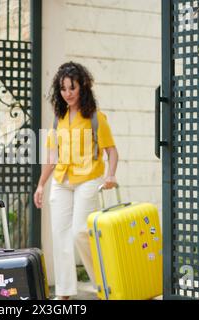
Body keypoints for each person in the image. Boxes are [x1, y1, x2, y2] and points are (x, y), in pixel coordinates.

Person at [33, 62, 119, 300]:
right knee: (60, 235)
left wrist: (110, 175)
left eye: (72, 87)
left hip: (89, 178)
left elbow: (111, 151)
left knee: (80, 231)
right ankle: (64, 292)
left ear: (83, 86)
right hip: (61, 180)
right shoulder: (58, 118)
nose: (67, 93)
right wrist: (41, 184)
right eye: (63, 89)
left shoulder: (95, 117)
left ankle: (104, 284)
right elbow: (51, 156)